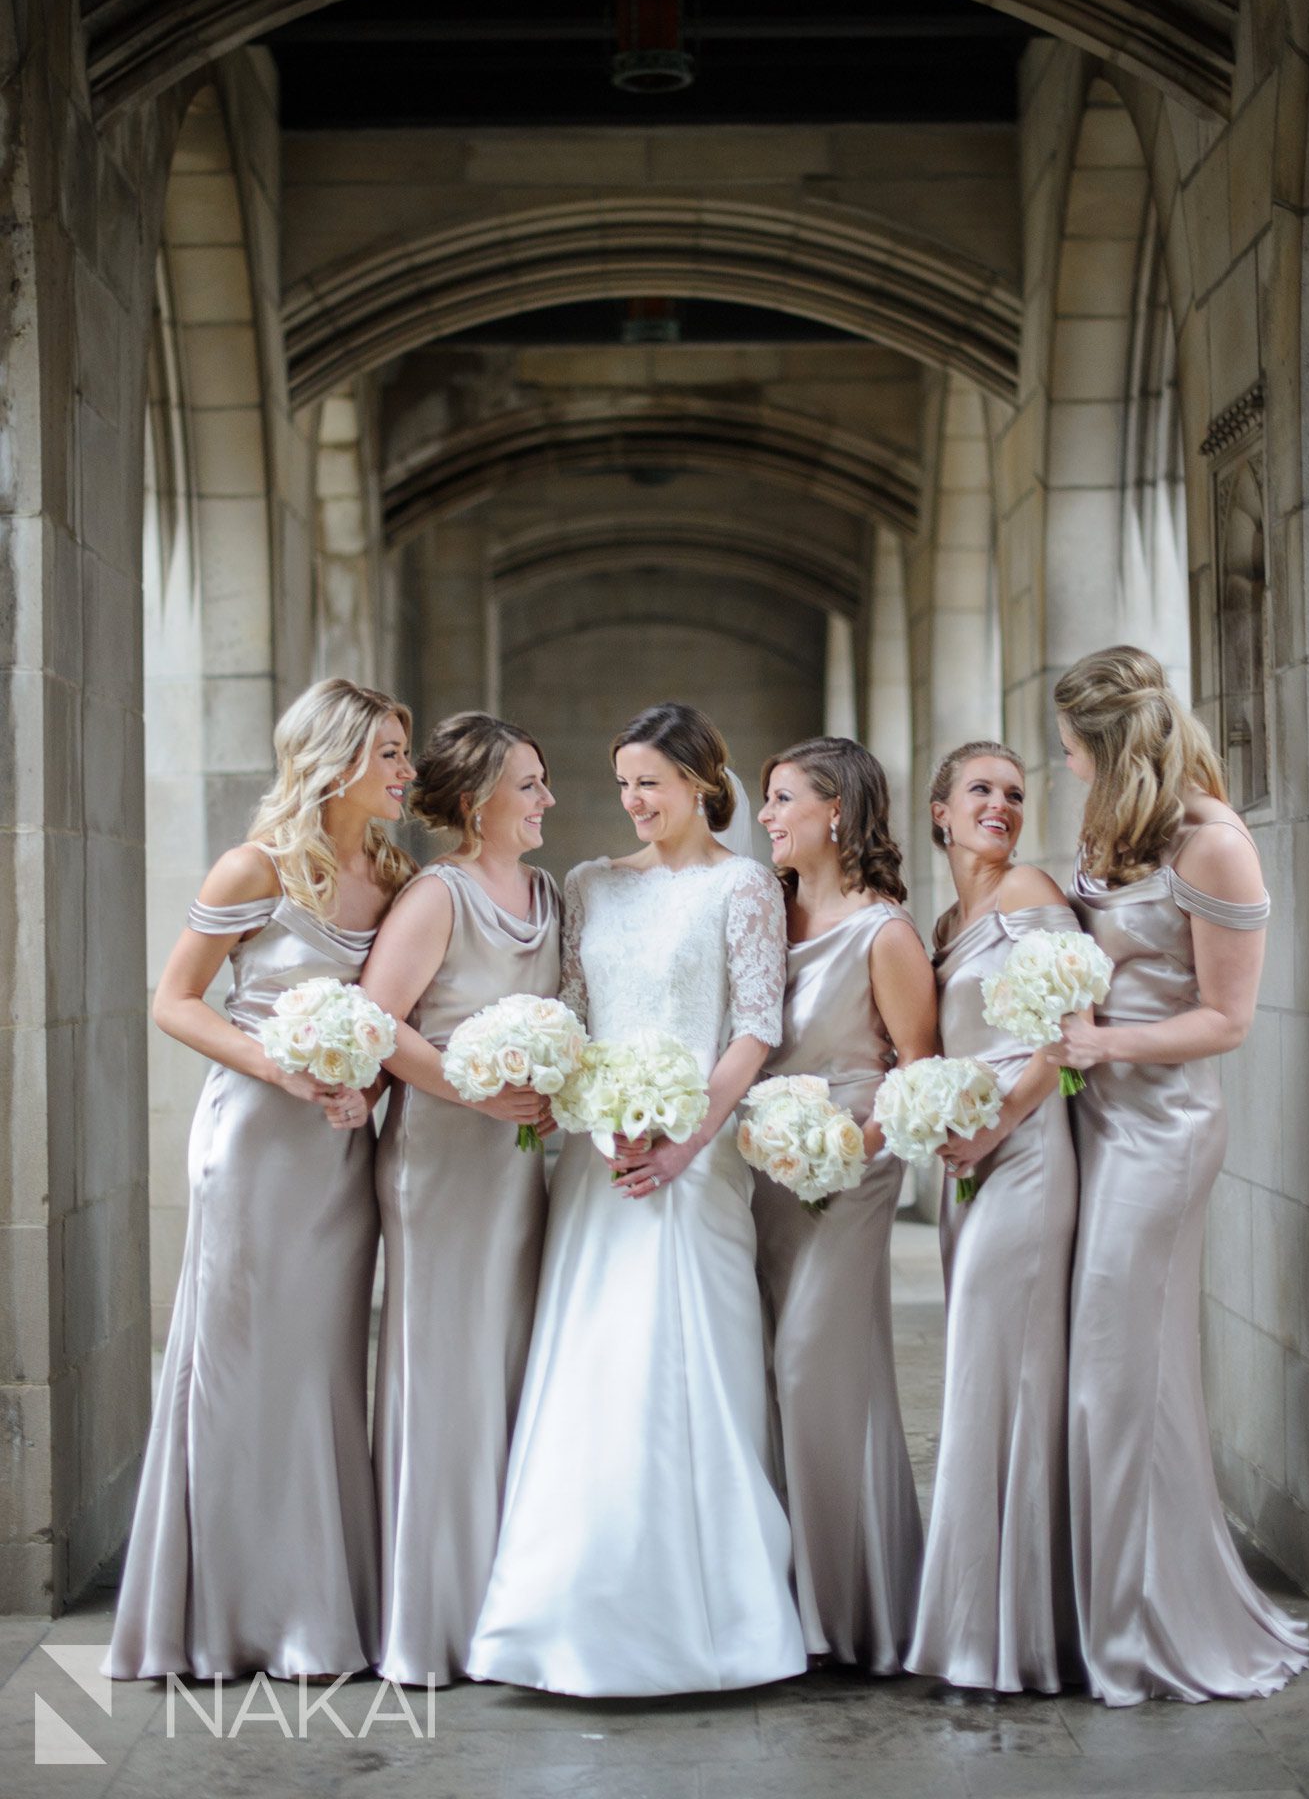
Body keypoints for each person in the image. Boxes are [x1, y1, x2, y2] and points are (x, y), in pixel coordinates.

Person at [468, 702, 805, 1696]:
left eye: (648, 781)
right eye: (621, 782)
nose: (631, 800)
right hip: (597, 1154)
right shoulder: (589, 883)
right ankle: (562, 1610)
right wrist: (577, 1095)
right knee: (591, 1364)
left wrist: (683, 1137)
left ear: (704, 782)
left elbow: (752, 1028)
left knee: (683, 1366)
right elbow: (576, 1003)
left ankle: (714, 1618)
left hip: (694, 1162)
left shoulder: (742, 886)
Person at [107, 680, 415, 1680]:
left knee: (319, 1367)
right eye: (390, 755)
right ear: (333, 761)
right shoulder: (257, 866)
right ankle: (225, 1616)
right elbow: (175, 999)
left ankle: (314, 1610)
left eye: (405, 753)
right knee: (240, 1362)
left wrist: (358, 1080)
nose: (407, 772)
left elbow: (392, 1011)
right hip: (252, 1140)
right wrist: (283, 1067)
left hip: (340, 1147)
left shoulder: (390, 868)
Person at [1056, 646, 1309, 1705]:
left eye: (1072, 751)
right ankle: (1109, 1601)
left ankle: (1141, 1627)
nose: (1064, 768)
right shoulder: (1115, 830)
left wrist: (1103, 1045)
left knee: (1112, 1375)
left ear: (1112, 749)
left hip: (1160, 1130)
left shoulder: (1212, 844)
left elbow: (1227, 1018)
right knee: (1119, 1370)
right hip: (1092, 1116)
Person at [361, 713, 560, 1686]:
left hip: (517, 1164)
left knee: (508, 1366)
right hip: (440, 1160)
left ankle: (503, 1603)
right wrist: (475, 1085)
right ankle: (428, 1618)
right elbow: (376, 1023)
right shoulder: (435, 894)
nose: (546, 800)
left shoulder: (548, 892)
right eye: (528, 784)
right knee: (444, 1373)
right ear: (479, 797)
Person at [754, 737, 935, 1673]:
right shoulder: (764, 913)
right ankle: (781, 1604)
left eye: (782, 800)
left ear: (835, 811)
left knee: (810, 1368)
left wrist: (841, 1151)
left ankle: (843, 1612)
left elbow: (917, 1074)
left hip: (848, 1178)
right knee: (767, 1378)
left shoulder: (885, 933)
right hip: (757, 1175)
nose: (765, 817)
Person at [905, 741, 1080, 1694]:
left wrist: (995, 1122)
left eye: (1014, 793)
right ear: (939, 810)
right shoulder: (945, 920)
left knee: (997, 1368)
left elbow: (1070, 1028)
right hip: (963, 1159)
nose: (1000, 806)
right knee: (980, 1371)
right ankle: (990, 1608)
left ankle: (1003, 1630)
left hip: (1025, 1148)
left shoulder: (1028, 892)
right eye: (980, 790)